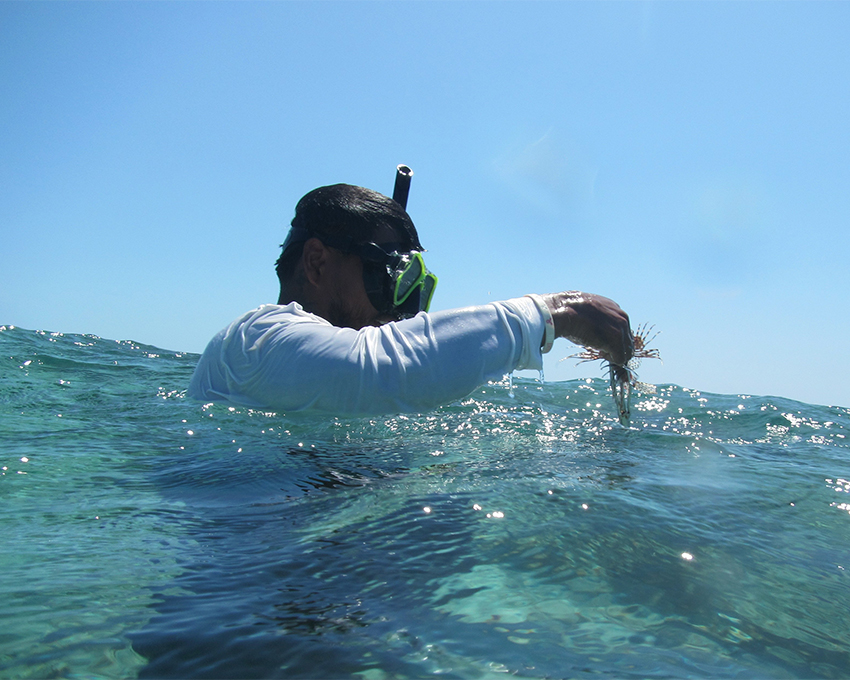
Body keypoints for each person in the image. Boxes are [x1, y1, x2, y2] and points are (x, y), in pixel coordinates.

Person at [188, 183, 634, 415]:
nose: (400, 312)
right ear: (318, 263)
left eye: (416, 291)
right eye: (390, 279)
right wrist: (555, 315)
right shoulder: (254, 342)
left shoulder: (320, 387)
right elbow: (380, 369)